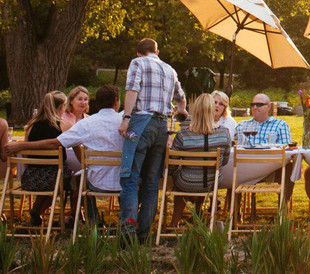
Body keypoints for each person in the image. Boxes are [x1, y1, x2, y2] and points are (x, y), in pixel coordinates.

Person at [6, 85, 123, 227]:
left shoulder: (86, 123)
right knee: (74, 179)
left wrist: (21, 146)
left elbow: (54, 144)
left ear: (96, 103)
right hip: (123, 181)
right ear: (117, 101)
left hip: (32, 179)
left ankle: (92, 221)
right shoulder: (126, 122)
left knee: (78, 178)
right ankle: (120, 220)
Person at [118, 37, 186, 242]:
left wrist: (126, 118)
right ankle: (144, 234)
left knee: (130, 177)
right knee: (150, 181)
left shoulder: (137, 63)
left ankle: (127, 233)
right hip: (161, 126)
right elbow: (181, 100)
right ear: (157, 52)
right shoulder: (170, 70)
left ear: (139, 52)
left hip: (141, 121)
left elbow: (132, 89)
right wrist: (179, 112)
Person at [169, 94, 232, 223]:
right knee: (205, 173)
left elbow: (172, 164)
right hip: (212, 183)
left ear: (195, 111)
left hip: (186, 182)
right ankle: (200, 213)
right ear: (212, 110)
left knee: (181, 176)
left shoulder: (183, 135)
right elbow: (224, 161)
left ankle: (174, 223)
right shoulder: (224, 133)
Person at [19, 91, 72, 226]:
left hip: (31, 178)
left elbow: (25, 153)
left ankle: (36, 212)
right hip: (55, 178)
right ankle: (39, 211)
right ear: (61, 107)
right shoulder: (64, 125)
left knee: (49, 181)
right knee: (66, 184)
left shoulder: (31, 125)